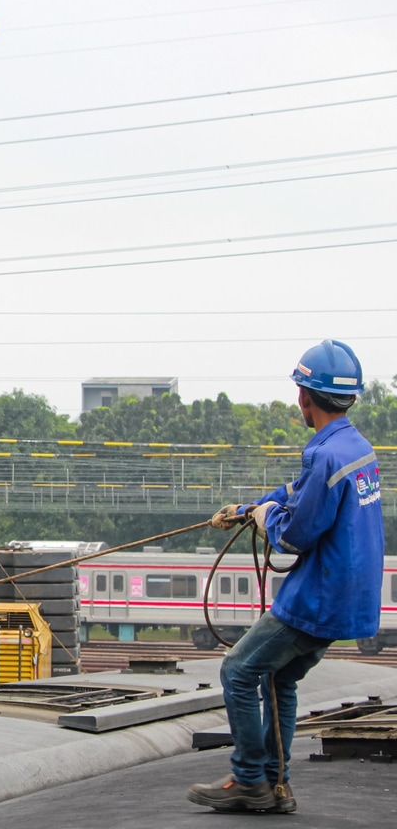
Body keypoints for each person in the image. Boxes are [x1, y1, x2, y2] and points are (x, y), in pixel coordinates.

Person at [188, 339, 384, 813]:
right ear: (350, 397)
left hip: (320, 596)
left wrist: (267, 519)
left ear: (305, 397)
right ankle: (276, 784)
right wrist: (251, 507)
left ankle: (250, 778)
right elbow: (298, 491)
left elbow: (295, 535)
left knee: (237, 669)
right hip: (353, 598)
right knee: (278, 679)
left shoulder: (325, 457)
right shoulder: (356, 450)